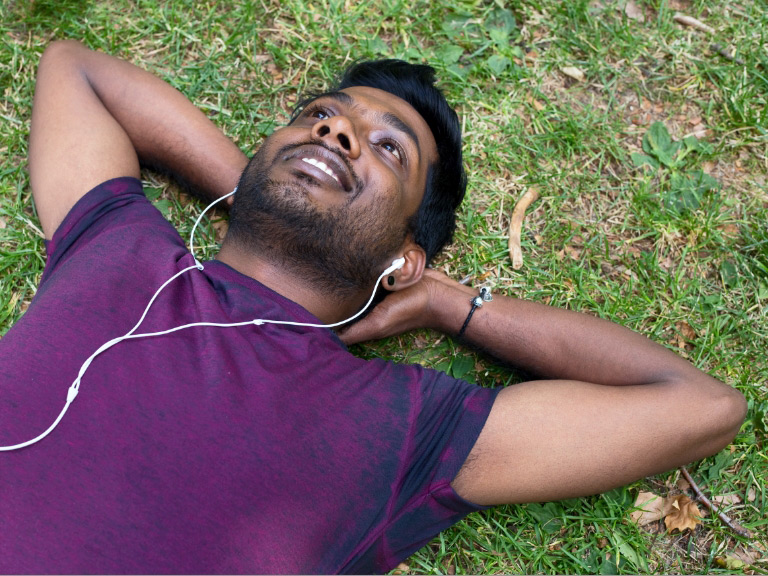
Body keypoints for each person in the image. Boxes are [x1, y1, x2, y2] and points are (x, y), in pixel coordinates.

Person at [0, 39, 746, 574]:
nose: (335, 129)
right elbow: (76, 68)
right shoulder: (122, 248)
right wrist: (264, 193)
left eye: (389, 151)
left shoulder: (406, 424)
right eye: (321, 116)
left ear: (404, 256)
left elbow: (702, 406)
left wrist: (446, 304)